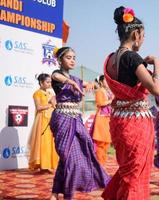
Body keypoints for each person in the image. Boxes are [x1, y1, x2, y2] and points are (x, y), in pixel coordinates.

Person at [101, 6, 159, 200]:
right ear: (136, 33)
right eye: (143, 35)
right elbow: (156, 89)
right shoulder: (132, 58)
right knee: (134, 174)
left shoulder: (110, 59)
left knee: (128, 170)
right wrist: (157, 65)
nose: (143, 40)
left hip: (119, 122)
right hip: (135, 124)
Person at [50, 47, 109, 200]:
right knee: (67, 156)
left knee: (82, 151)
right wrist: (72, 83)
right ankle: (63, 194)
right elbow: (57, 76)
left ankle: (56, 193)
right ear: (60, 60)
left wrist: (93, 85)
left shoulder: (76, 79)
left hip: (76, 119)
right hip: (62, 119)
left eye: (74, 58)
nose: (72, 60)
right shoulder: (57, 76)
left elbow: (90, 85)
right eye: (68, 57)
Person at [28, 73, 58, 172]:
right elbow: (39, 107)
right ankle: (42, 165)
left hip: (51, 119)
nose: (50, 84)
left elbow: (54, 106)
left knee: (51, 142)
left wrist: (54, 103)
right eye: (47, 82)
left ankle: (49, 164)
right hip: (42, 120)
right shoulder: (37, 93)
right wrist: (50, 103)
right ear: (41, 83)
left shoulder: (50, 93)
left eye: (50, 82)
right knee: (43, 142)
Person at [91, 75, 113, 164]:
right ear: (100, 82)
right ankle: (100, 162)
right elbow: (99, 103)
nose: (107, 82)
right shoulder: (99, 91)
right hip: (101, 118)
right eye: (105, 81)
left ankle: (102, 161)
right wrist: (110, 101)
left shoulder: (109, 92)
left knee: (106, 141)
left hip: (108, 118)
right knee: (100, 141)